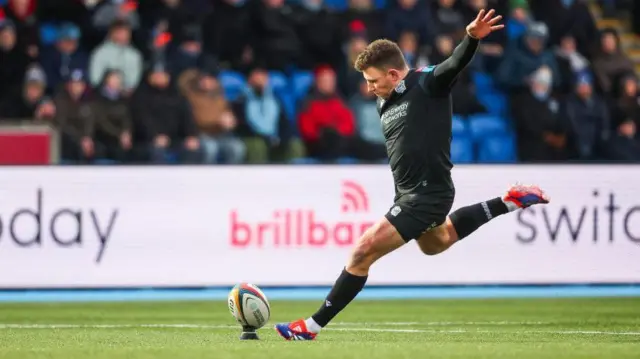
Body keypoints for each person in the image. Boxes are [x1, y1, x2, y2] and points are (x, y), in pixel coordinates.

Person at [274, 9, 550, 341]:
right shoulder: (384, 101)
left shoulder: (427, 83)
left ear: (393, 74)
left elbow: (453, 65)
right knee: (437, 243)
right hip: (408, 193)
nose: (370, 88)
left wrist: (472, 38)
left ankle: (312, 326)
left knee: (362, 252)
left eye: (374, 81)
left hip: (427, 194)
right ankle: (508, 201)